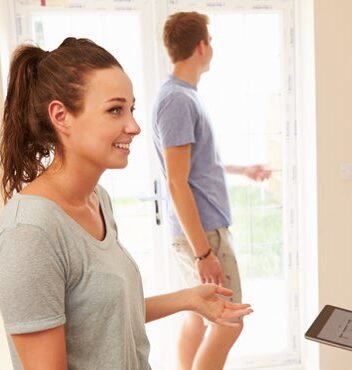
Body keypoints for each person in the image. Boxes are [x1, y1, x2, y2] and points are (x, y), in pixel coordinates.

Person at [0, 37, 253, 370]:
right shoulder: (30, 232)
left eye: (131, 109)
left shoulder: (97, 201)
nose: (133, 127)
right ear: (61, 116)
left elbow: (104, 316)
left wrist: (187, 299)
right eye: (115, 110)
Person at [151, 11, 271, 370]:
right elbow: (176, 181)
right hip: (202, 234)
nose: (212, 48)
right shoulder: (177, 100)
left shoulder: (183, 96)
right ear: (201, 46)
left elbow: (196, 166)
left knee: (199, 314)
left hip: (201, 231)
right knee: (228, 320)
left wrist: (242, 170)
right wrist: (204, 254)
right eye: (212, 41)